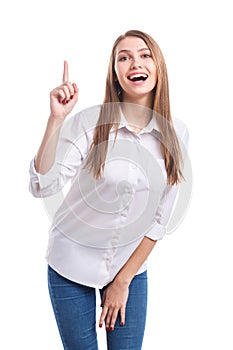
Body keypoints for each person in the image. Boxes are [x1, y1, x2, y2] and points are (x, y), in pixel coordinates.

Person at [29, 29, 189, 350]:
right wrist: (56, 120)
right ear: (115, 73)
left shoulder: (176, 134)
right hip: (71, 263)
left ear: (157, 66)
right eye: (124, 57)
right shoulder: (90, 124)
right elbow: (42, 185)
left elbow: (160, 220)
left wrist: (123, 281)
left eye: (144, 55)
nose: (135, 63)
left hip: (129, 266)